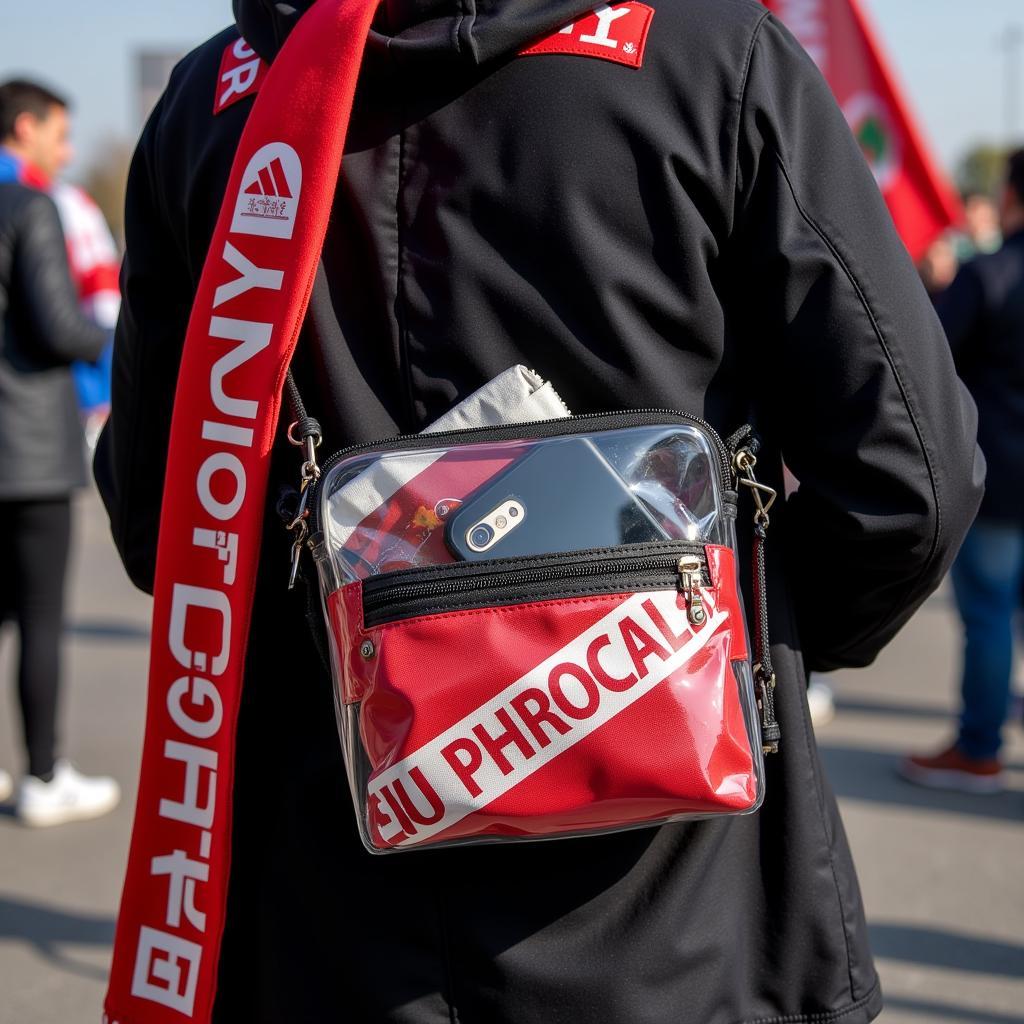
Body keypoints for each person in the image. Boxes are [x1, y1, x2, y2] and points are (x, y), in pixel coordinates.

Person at [95, 2, 982, 1021]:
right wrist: (715, 655)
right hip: (681, 907)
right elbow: (911, 479)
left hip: (329, 909)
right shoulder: (703, 51)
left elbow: (166, 523)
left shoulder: (217, 101)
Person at [0, 79, 120, 825]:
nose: (65, 149)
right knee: (40, 615)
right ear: (24, 128)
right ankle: (43, 777)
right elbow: (56, 327)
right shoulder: (30, 206)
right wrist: (123, 339)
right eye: (57, 133)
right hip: (28, 448)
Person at [903, 150, 1024, 793]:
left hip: (1002, 475)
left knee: (989, 615)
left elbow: (930, 360)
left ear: (1011, 196)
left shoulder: (989, 276)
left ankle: (979, 748)